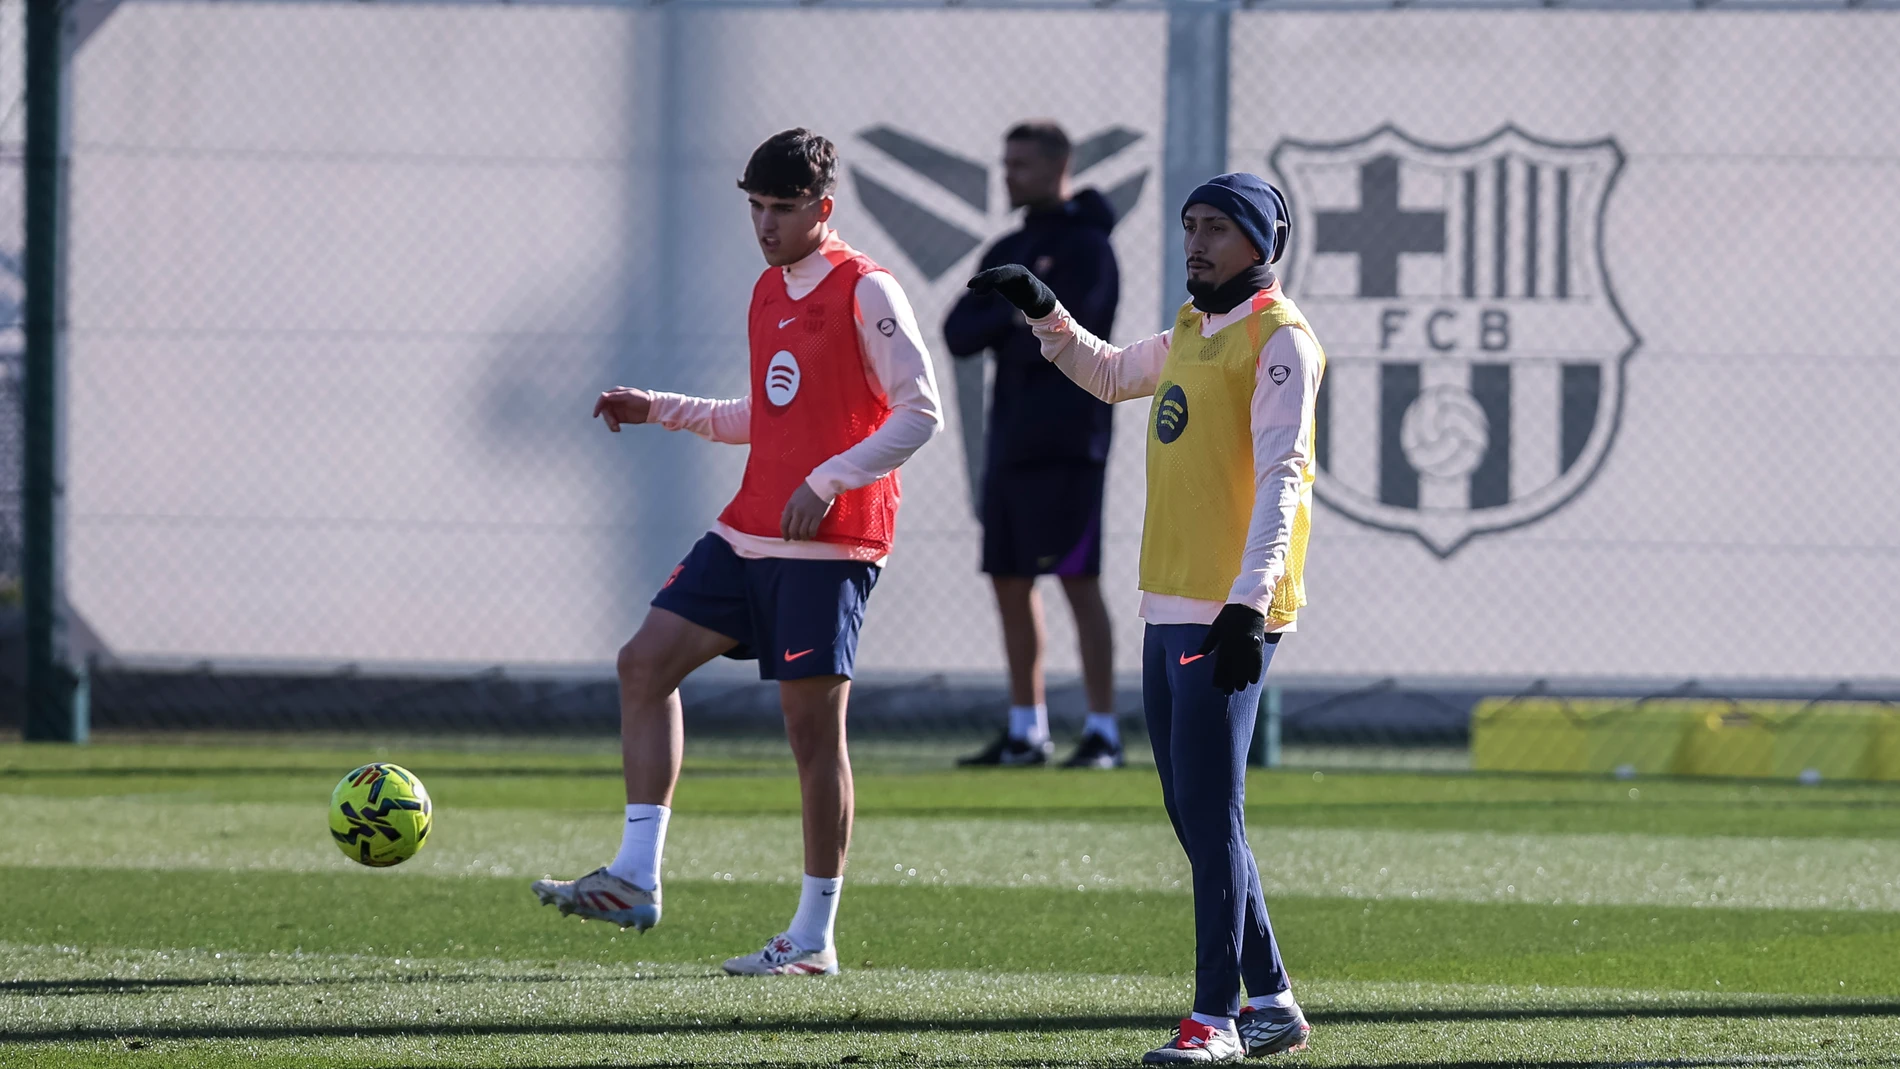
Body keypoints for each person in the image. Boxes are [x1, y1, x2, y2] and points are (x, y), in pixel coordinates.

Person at [533, 129, 943, 978]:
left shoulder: (868, 290)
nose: (764, 224)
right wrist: (661, 407)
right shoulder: (767, 290)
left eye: (782, 209)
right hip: (748, 528)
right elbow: (769, 415)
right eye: (755, 206)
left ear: (821, 209)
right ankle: (636, 876)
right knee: (643, 663)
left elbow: (921, 410)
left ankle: (812, 937)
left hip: (828, 545)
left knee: (811, 735)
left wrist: (829, 480)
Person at [967, 172, 1322, 1062]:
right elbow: (1104, 371)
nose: (1195, 241)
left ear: (1260, 244)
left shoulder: (1280, 340)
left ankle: (1215, 1019)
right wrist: (1044, 311)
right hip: (1169, 602)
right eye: (1190, 225)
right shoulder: (1195, 329)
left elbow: (1285, 478)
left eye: (1215, 229)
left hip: (1224, 613)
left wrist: (1247, 604)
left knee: (1211, 809)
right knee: (1194, 812)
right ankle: (1272, 998)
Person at [944, 121, 1124, 769]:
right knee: (1010, 581)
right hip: (1010, 442)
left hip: (1072, 445)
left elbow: (1075, 333)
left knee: (1079, 581)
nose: (1008, 174)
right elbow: (959, 330)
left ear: (1058, 166)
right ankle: (1028, 729)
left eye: (1020, 163)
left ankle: (1103, 730)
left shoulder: (1089, 247)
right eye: (1005, 161)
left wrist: (1020, 321)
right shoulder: (1009, 245)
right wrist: (1017, 314)